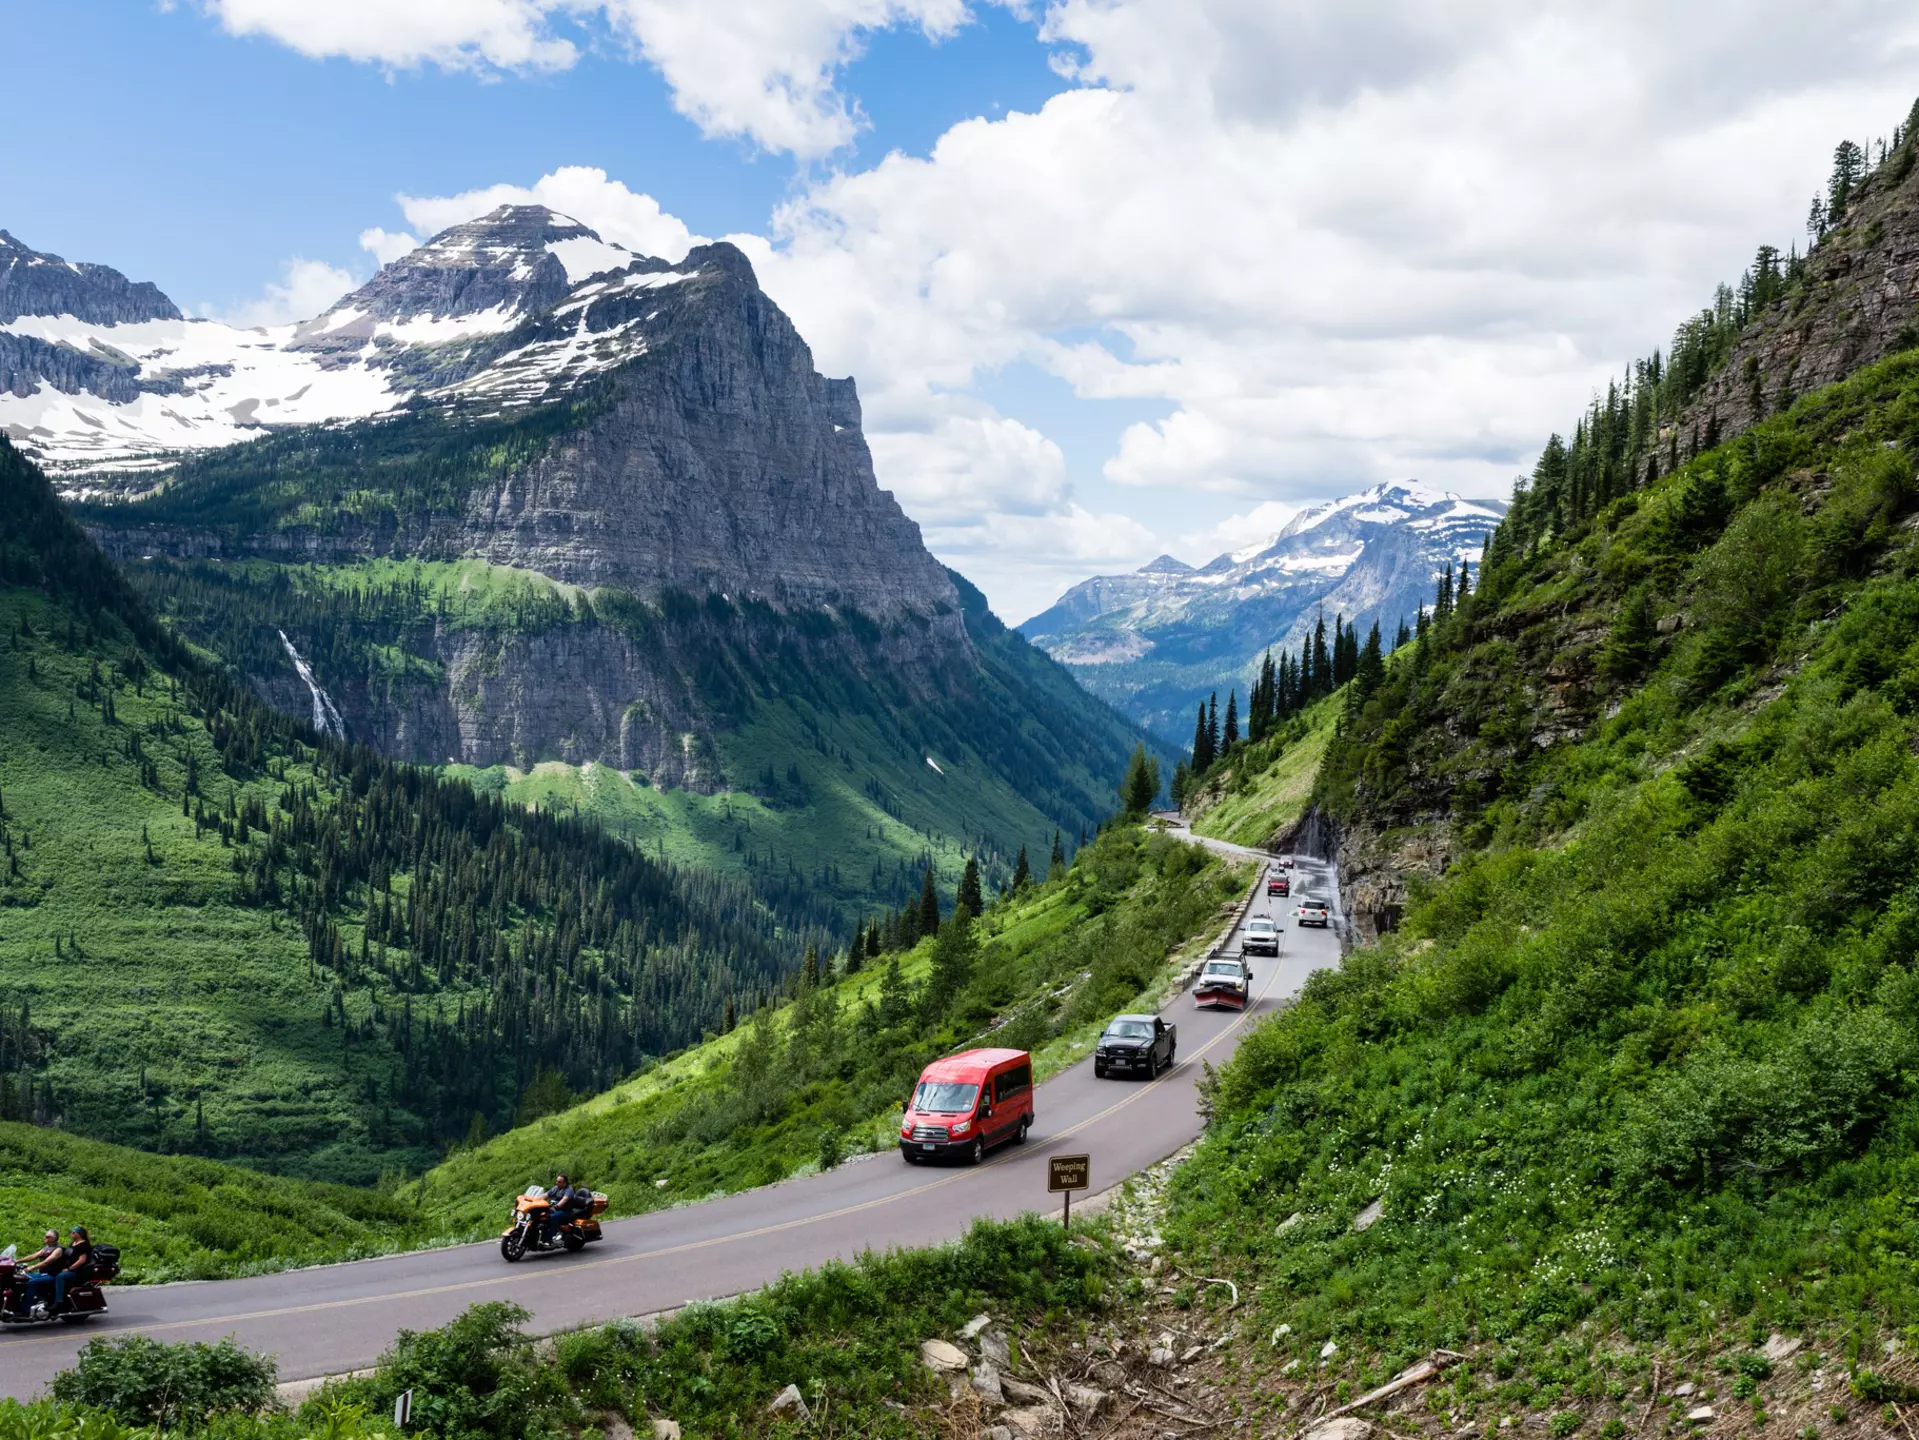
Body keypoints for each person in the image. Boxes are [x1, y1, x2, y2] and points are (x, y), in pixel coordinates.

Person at [21, 1230, 70, 1314]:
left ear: (54, 1239)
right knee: (23, 1278)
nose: (45, 1238)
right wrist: (16, 1261)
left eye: (48, 1237)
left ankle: (26, 1309)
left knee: (32, 1282)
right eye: (45, 1236)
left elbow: (46, 1262)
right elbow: (33, 1256)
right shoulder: (47, 1247)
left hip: (52, 1275)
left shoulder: (58, 1250)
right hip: (42, 1274)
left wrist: (33, 1267)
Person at [52, 1227, 94, 1311]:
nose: (71, 1234)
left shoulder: (83, 1245)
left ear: (80, 1234)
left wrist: (69, 1269)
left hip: (78, 1271)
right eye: (71, 1232)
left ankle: (58, 1301)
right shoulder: (73, 1243)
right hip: (69, 1268)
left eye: (74, 1233)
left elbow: (82, 1260)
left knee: (60, 1276)